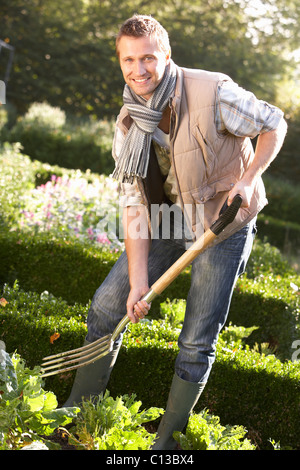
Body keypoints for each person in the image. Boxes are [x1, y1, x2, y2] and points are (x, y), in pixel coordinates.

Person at [64, 15, 287, 449]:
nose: (138, 69)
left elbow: (273, 123)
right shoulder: (129, 122)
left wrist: (248, 178)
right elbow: (134, 206)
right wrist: (139, 283)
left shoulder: (213, 91)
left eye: (148, 57)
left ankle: (166, 439)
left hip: (223, 222)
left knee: (197, 336)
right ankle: (78, 408)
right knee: (109, 302)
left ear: (166, 56)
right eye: (129, 60)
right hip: (169, 217)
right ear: (120, 62)